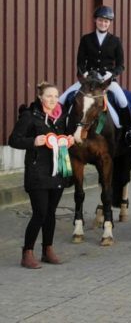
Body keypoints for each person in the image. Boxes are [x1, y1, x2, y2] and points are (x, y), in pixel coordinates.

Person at [9, 82, 74, 269]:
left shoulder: (61, 118)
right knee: (40, 212)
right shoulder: (30, 116)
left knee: (51, 213)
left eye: (55, 96)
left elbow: (67, 137)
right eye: (48, 96)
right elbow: (13, 140)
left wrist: (69, 141)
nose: (53, 100)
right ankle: (27, 253)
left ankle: (48, 249)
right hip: (37, 173)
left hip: (58, 171)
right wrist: (33, 141)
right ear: (40, 97)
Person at [60, 5, 131, 147]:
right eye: (101, 20)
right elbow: (80, 61)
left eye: (107, 21)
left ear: (109, 23)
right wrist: (84, 73)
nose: (103, 23)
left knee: (122, 101)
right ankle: (61, 129)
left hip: (106, 82)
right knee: (63, 98)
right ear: (96, 21)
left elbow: (121, 65)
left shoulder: (115, 41)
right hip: (88, 81)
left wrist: (111, 73)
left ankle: (130, 132)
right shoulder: (86, 39)